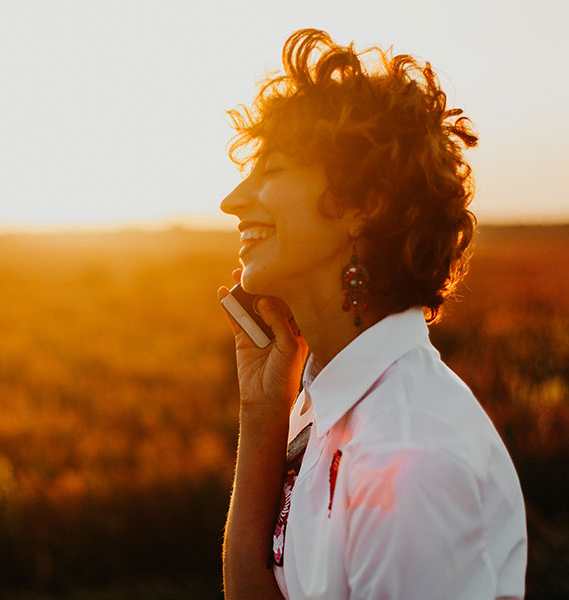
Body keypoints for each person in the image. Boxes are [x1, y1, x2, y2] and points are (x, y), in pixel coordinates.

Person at [217, 29, 527, 600]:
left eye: (274, 170)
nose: (233, 200)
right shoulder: (330, 402)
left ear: (365, 205)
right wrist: (262, 412)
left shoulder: (414, 455)